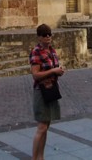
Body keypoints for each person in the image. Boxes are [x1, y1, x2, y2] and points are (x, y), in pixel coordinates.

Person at [29, 24, 65, 160]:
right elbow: (35, 75)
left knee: (46, 126)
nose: (48, 37)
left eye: (49, 34)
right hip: (41, 91)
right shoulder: (36, 52)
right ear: (39, 37)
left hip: (52, 89)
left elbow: (53, 69)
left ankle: (41, 157)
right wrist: (53, 71)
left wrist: (59, 71)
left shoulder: (52, 50)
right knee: (42, 127)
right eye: (44, 35)